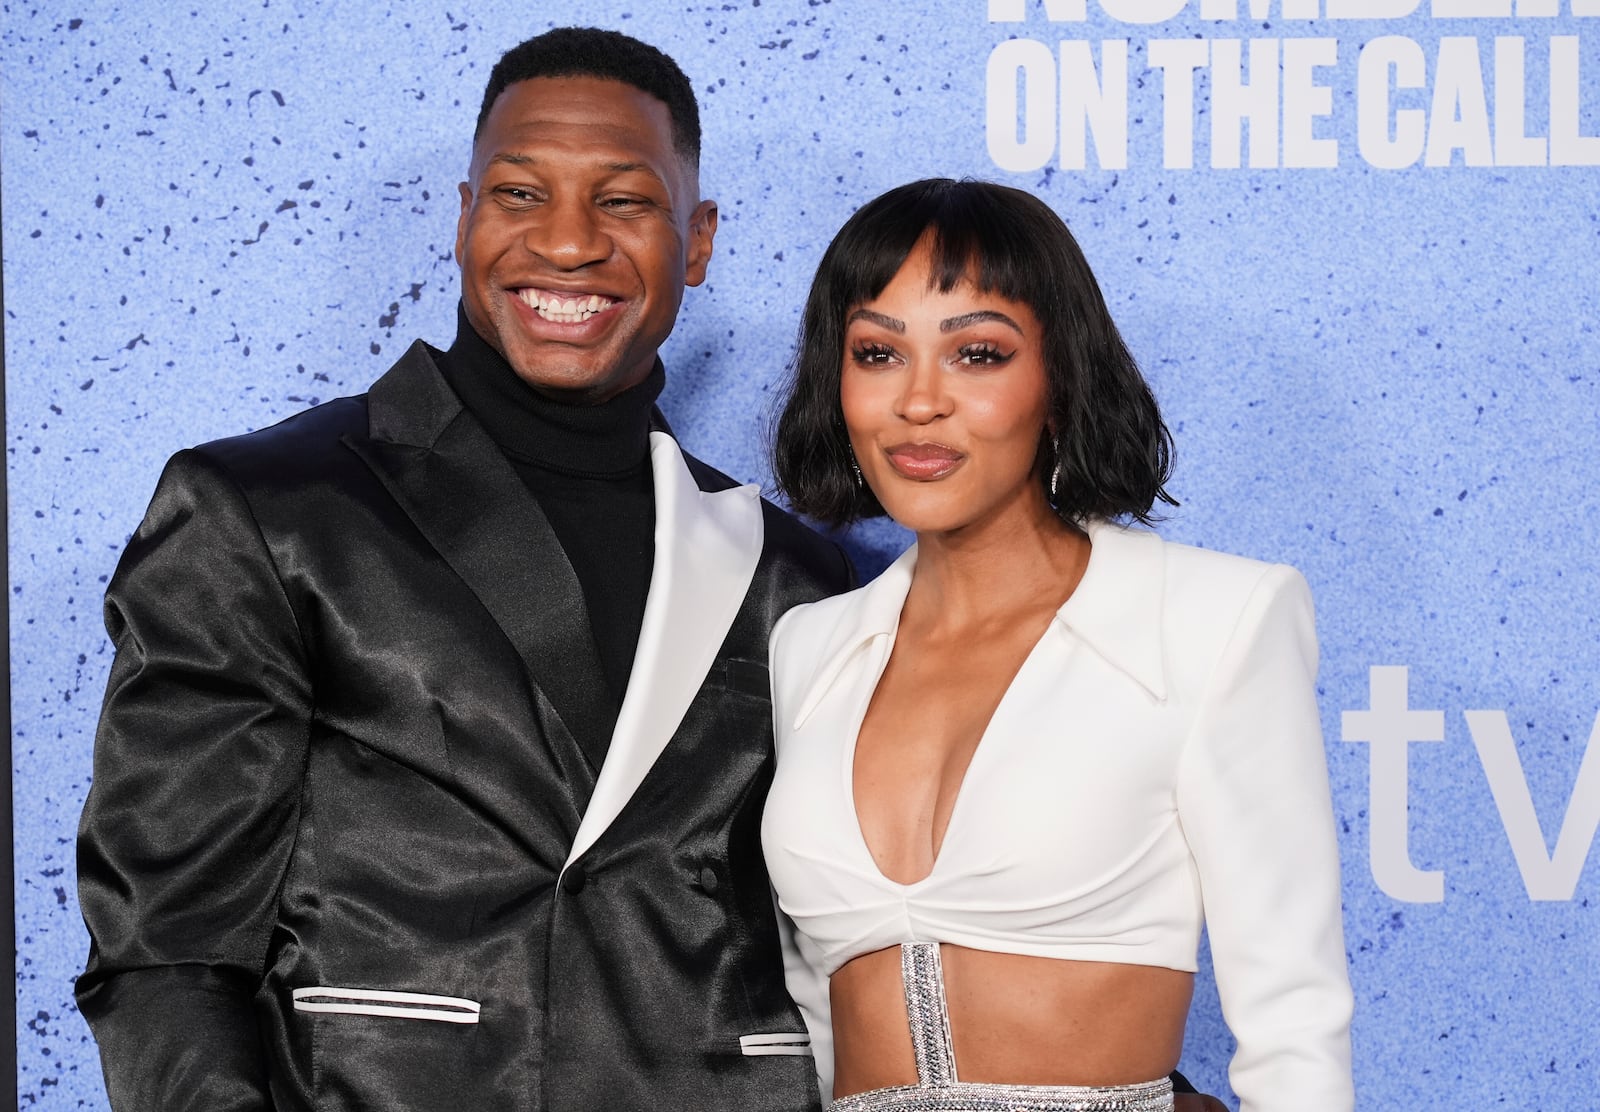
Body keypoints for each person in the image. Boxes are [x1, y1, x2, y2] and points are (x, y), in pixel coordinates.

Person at [73, 27, 853, 1112]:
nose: (567, 244)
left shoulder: (800, 576)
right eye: (521, 194)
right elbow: (168, 945)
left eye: (623, 201)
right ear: (464, 216)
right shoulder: (265, 511)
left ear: (700, 239)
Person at [764, 179, 1355, 1111]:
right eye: (878, 352)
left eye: (978, 354)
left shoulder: (1214, 619)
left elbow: (1294, 1023)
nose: (919, 402)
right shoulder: (810, 645)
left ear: (1059, 379)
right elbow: (812, 1006)